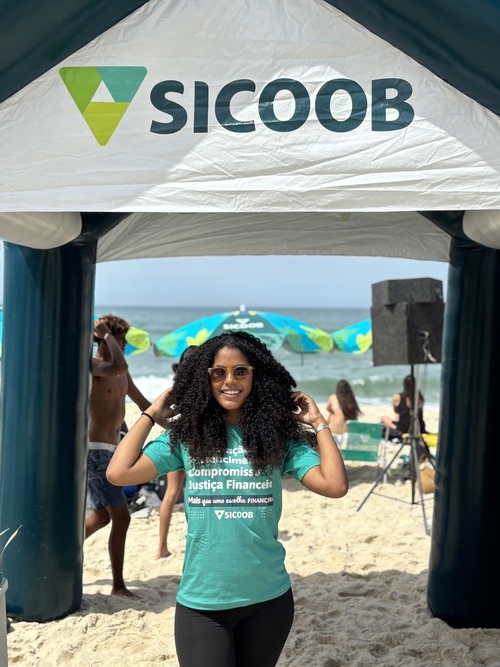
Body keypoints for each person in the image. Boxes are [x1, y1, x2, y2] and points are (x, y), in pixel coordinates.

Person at [107, 331, 348, 667]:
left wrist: (319, 423)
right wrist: (151, 412)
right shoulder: (186, 438)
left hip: (269, 601)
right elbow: (118, 473)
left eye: (241, 371)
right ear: (205, 379)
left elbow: (335, 485)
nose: (229, 381)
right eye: (218, 372)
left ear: (256, 376)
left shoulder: (278, 440)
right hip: (203, 603)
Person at [85, 314, 152, 597]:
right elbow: (119, 363)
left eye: (123, 341)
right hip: (95, 451)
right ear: (103, 339)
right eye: (119, 340)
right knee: (122, 518)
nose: (123, 345)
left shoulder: (122, 372)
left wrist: (175, 424)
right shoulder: (94, 366)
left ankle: (57, 552)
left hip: (113, 450)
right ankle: (118, 586)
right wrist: (105, 334)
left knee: (101, 517)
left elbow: (143, 403)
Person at [156, 346, 198, 560]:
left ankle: (161, 547)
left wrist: (172, 430)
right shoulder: (202, 387)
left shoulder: (177, 388)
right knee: (195, 492)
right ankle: (193, 541)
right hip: (195, 443)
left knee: (171, 494)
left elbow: (167, 418)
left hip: (177, 440)